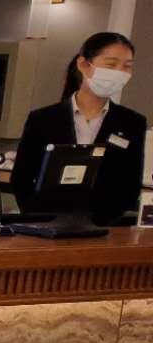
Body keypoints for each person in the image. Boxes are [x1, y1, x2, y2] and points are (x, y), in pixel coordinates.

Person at [12, 32, 144, 225]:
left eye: (127, 66)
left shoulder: (132, 122)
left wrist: (107, 224)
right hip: (46, 223)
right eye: (111, 65)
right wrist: (37, 219)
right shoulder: (43, 119)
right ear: (83, 65)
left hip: (104, 227)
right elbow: (21, 178)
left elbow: (130, 184)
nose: (119, 73)